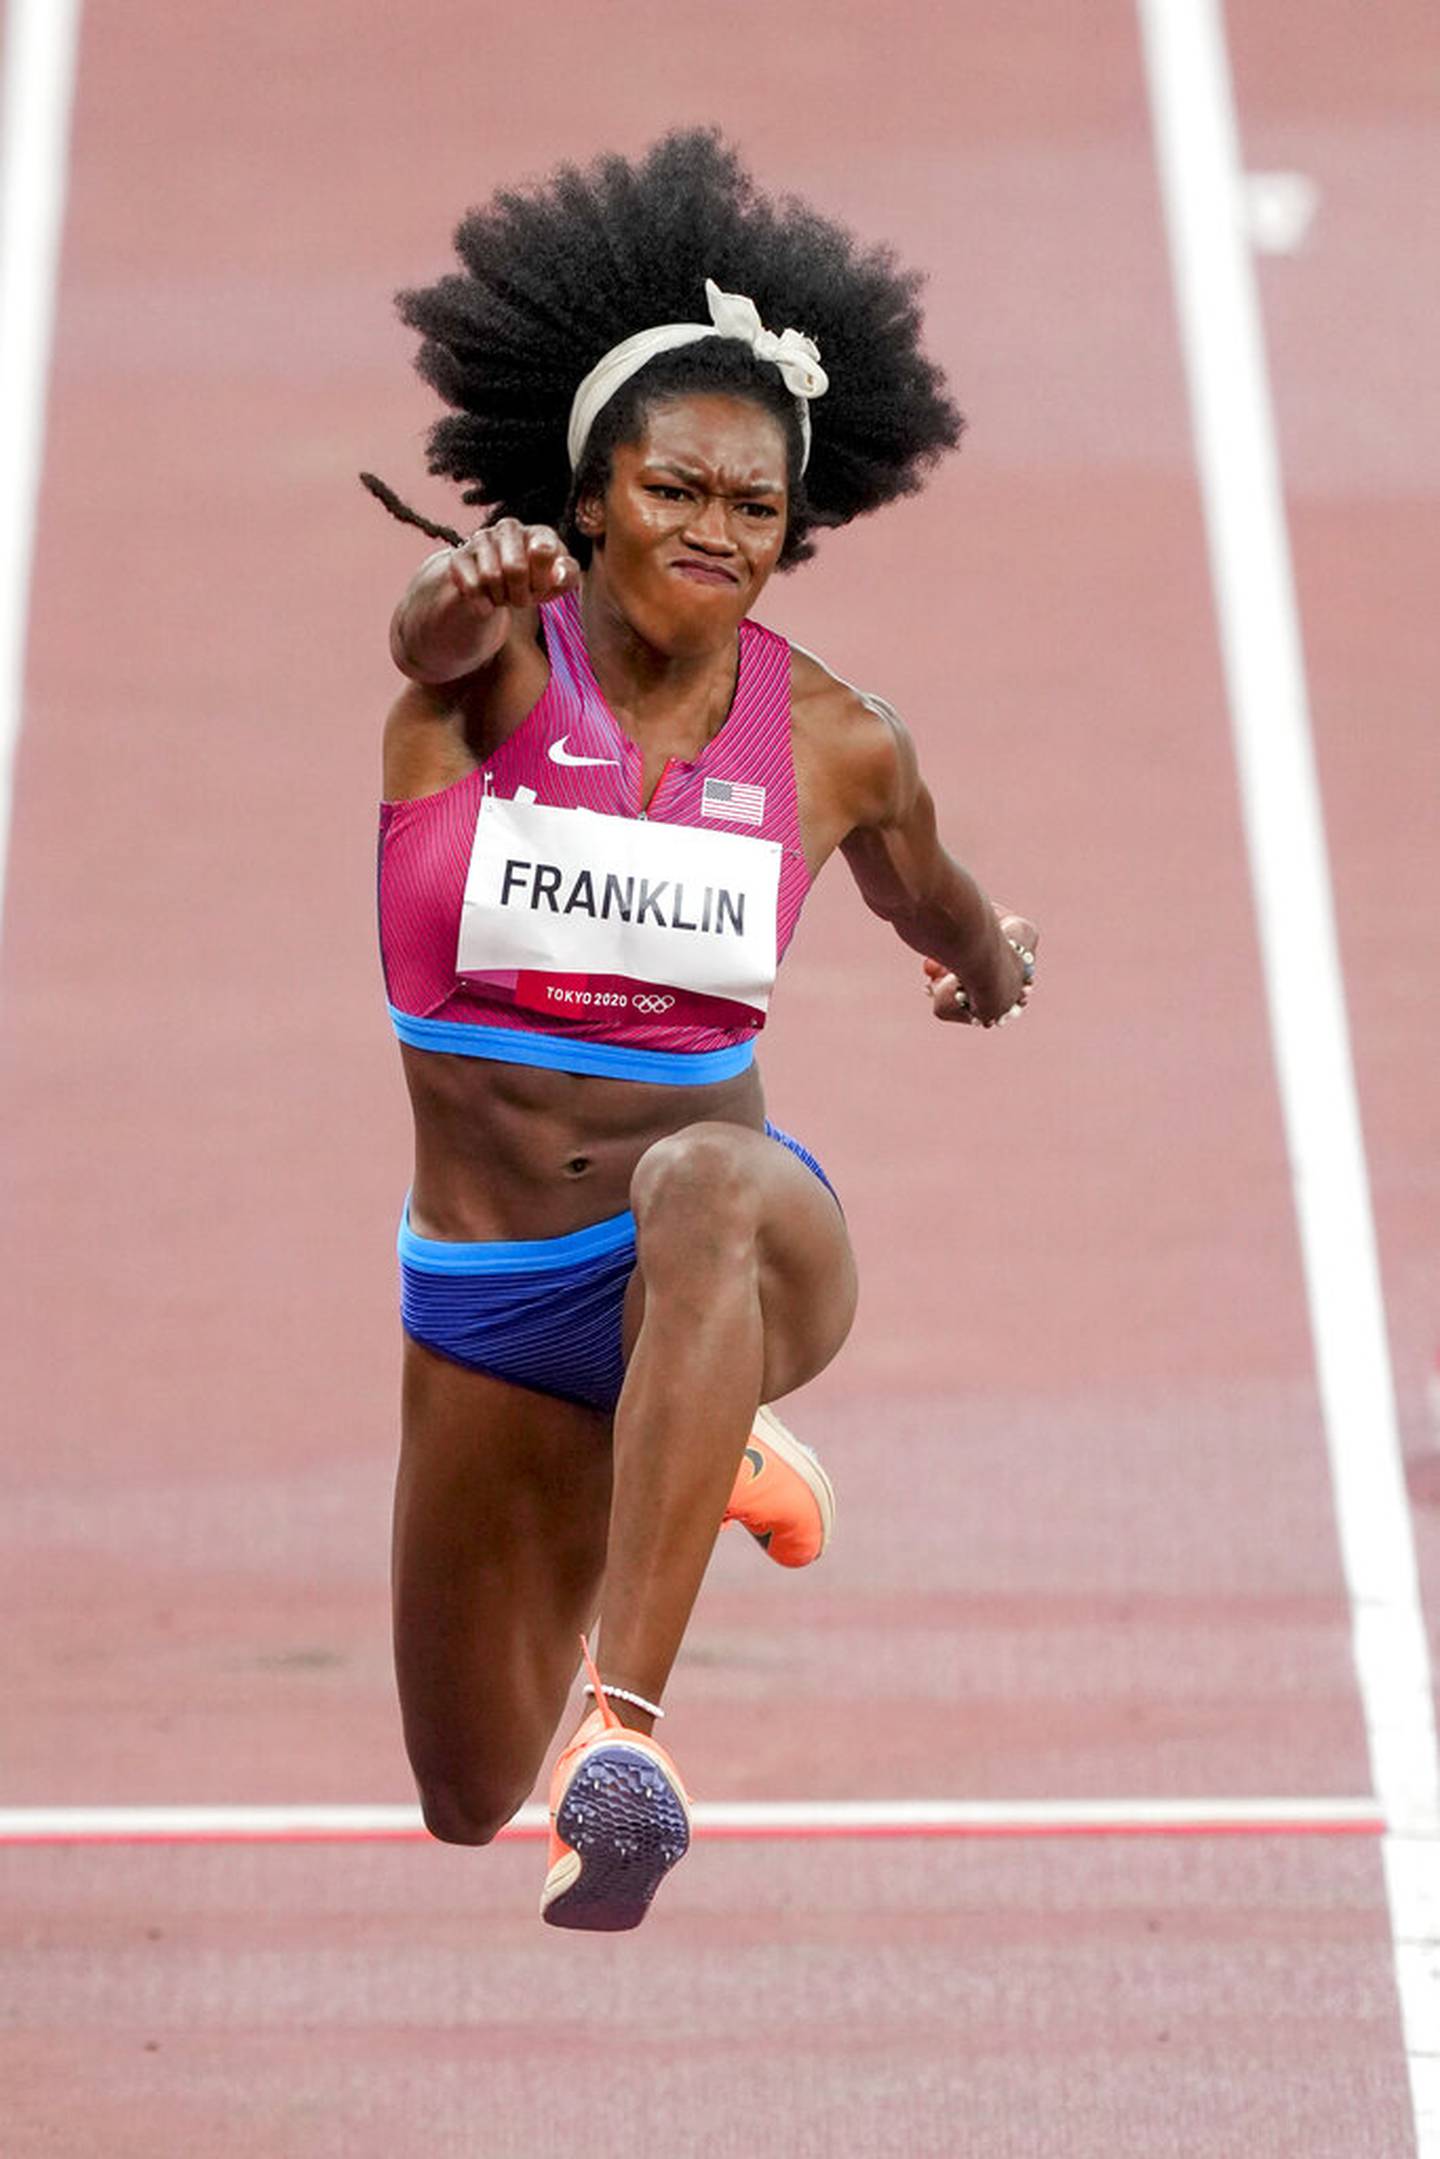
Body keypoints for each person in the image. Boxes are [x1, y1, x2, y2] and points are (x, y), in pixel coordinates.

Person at [369, 130, 1037, 1932]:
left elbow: (933, 894)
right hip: (496, 1286)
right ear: (591, 495)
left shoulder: (835, 740)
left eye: (757, 509)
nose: (719, 535)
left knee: (707, 1181)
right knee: (455, 1793)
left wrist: (986, 963)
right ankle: (708, 1435)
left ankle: (633, 1737)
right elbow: (420, 625)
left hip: (733, 1232)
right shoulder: (490, 668)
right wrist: (464, 588)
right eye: (678, 492)